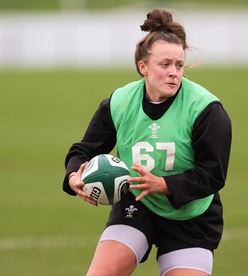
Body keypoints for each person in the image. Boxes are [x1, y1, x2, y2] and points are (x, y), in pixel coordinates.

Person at [63, 8, 232, 276]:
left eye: (179, 64)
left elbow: (213, 174)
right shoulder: (120, 102)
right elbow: (85, 149)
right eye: (165, 65)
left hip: (191, 216)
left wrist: (164, 185)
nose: (174, 72)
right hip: (136, 204)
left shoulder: (206, 109)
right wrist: (74, 175)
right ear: (143, 67)